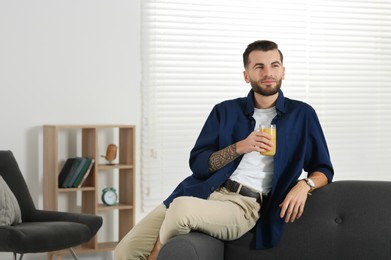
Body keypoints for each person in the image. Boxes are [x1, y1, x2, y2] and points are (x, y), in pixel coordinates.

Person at [114, 40, 334, 260]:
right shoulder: (225, 111)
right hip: (200, 191)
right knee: (124, 251)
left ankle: (156, 254)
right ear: (246, 75)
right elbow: (199, 164)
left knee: (180, 210)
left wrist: (305, 185)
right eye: (259, 67)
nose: (268, 72)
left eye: (274, 65)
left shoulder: (302, 115)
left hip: (243, 205)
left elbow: (323, 168)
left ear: (283, 71)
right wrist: (240, 147)